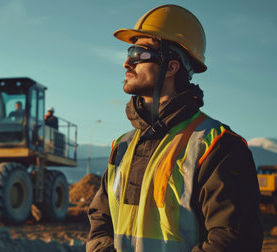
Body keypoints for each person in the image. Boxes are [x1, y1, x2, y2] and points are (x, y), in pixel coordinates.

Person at [87, 5, 262, 252]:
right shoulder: (122, 146)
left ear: (171, 67)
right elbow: (100, 219)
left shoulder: (218, 145)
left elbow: (232, 241)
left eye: (139, 53)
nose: (127, 62)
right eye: (129, 51)